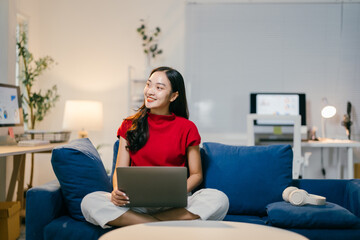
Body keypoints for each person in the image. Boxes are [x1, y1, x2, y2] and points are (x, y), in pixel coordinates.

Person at [81, 66, 229, 228]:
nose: (150, 91)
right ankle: (161, 225)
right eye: (148, 85)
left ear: (173, 96)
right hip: (136, 203)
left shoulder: (187, 127)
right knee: (89, 201)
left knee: (219, 199)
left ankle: (139, 223)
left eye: (159, 88)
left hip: (176, 205)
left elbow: (196, 174)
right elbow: (119, 169)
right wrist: (117, 191)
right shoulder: (129, 125)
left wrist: (176, 193)